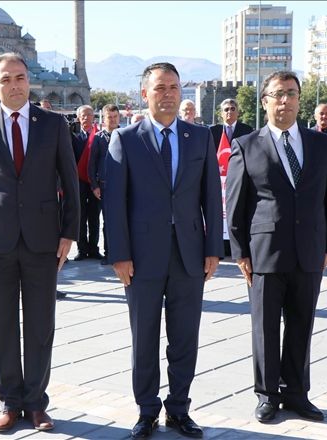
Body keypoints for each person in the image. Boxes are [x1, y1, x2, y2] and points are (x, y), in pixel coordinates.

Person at [0, 52, 79, 433]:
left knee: (41, 324)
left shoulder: (54, 125)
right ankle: (11, 402)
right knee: (3, 325)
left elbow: (70, 183)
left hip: (44, 240)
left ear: (30, 82)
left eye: (21, 77)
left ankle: (36, 403)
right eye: (6, 79)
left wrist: (69, 233)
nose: (15, 84)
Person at [105, 62, 223, 439]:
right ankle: (146, 411)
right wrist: (119, 254)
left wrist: (213, 248)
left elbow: (211, 196)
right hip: (140, 258)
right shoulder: (125, 138)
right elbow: (115, 202)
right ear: (145, 94)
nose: (168, 94)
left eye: (174, 87)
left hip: (189, 255)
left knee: (185, 336)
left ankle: (179, 409)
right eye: (160, 88)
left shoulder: (199, 136)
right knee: (145, 337)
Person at [226, 71, 327, 423]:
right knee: (265, 326)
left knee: (302, 322)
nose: (285, 101)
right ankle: (267, 394)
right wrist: (239, 251)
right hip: (265, 252)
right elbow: (235, 204)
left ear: (299, 99)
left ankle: (296, 393)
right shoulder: (247, 145)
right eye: (278, 94)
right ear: (265, 102)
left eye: (291, 93)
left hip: (309, 250)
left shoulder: (321, 144)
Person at [210, 98, 254, 258]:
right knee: (219, 215)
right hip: (217, 181)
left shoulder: (247, 130)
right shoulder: (213, 132)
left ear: (238, 112)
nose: (230, 112)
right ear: (221, 113)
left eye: (233, 109)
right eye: (226, 109)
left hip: (239, 179)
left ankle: (236, 248)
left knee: (236, 212)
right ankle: (220, 248)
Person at [88, 104, 119, 265]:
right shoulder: (99, 138)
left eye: (115, 117)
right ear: (104, 119)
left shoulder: (126, 135)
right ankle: (109, 253)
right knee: (108, 222)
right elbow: (91, 163)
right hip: (105, 186)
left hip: (123, 185)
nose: (112, 120)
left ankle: (123, 253)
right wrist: (94, 185)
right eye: (109, 117)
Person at [72, 104, 102, 260]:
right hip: (79, 183)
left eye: (89, 114)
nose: (86, 117)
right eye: (83, 115)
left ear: (94, 117)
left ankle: (94, 249)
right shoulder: (73, 137)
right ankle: (82, 249)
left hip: (95, 183)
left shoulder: (100, 136)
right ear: (78, 118)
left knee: (95, 217)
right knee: (81, 217)